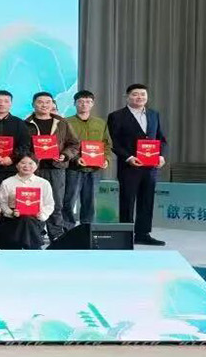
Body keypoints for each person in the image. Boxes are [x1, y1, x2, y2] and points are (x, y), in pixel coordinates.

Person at [109, 83, 166, 244]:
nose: (139, 97)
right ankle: (125, 235)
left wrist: (161, 156)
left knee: (147, 200)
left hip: (150, 166)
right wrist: (128, 158)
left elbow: (160, 138)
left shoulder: (154, 114)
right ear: (127, 97)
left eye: (143, 94)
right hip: (129, 166)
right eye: (135, 94)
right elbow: (114, 142)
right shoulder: (116, 116)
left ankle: (143, 234)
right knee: (127, 200)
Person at [59, 89, 109, 234]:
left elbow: (106, 143)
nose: (84, 104)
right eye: (80, 101)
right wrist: (75, 158)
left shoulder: (100, 123)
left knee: (89, 201)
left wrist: (105, 159)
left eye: (88, 102)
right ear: (74, 103)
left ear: (92, 104)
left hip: (94, 169)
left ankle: (87, 229)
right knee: (69, 200)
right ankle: (68, 229)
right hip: (73, 168)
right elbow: (62, 145)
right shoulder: (66, 122)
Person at [0, 151, 56, 249]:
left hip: (36, 219)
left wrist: (42, 215)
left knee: (27, 220)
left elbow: (49, 204)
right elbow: (2, 203)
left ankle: (12, 247)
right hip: (13, 218)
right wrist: (11, 213)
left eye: (30, 163)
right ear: (16, 165)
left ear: (36, 165)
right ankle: (35, 249)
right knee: (24, 221)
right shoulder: (7, 182)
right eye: (23, 163)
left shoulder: (44, 183)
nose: (26, 166)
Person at [25, 91, 68, 224]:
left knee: (56, 203)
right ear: (33, 104)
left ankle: (56, 233)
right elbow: (21, 145)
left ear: (52, 104)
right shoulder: (25, 124)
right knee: (34, 203)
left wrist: (65, 155)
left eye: (48, 102)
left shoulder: (62, 123)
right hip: (33, 169)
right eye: (40, 102)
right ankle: (37, 232)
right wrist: (30, 157)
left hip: (56, 168)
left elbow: (74, 143)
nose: (44, 105)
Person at [0, 91, 31, 189]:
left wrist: (12, 158)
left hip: (13, 168)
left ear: (11, 104)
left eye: (6, 101)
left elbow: (25, 145)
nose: (2, 104)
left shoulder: (19, 123)